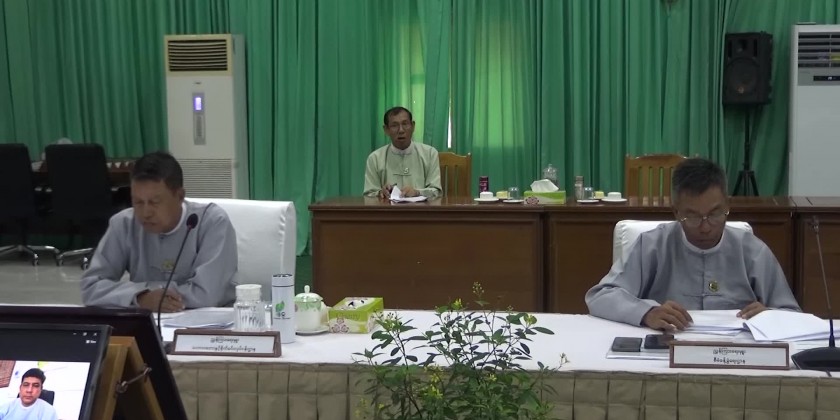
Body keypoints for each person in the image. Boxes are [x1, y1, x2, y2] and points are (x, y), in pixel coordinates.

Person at [585, 157, 800, 330]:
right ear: (676, 212)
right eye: (693, 217)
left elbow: (793, 315)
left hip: (736, 355)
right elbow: (601, 297)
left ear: (728, 206)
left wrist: (771, 316)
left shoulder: (752, 251)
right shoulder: (652, 246)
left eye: (715, 214)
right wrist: (646, 313)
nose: (705, 227)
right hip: (669, 350)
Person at [80, 151, 238, 311]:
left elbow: (206, 295)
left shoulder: (211, 222)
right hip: (148, 319)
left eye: (155, 202)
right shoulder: (124, 224)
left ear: (180, 196)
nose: (146, 213)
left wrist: (149, 294)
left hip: (207, 320)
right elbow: (91, 288)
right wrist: (140, 297)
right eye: (138, 202)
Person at [363, 107, 442, 199]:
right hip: (387, 208)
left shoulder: (429, 154)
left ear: (413, 126)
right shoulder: (375, 158)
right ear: (386, 129)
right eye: (394, 125)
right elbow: (368, 196)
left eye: (405, 124)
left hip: (420, 208)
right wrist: (380, 193)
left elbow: (437, 192)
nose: (401, 130)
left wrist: (417, 192)